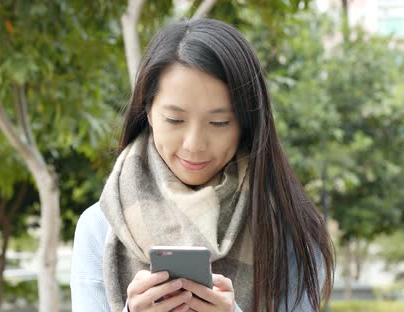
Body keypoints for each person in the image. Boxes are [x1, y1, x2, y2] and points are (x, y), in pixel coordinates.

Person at [70, 18, 334, 312]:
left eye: (219, 122)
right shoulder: (99, 226)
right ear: (147, 111)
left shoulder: (290, 230)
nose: (194, 144)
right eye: (175, 120)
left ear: (246, 124)